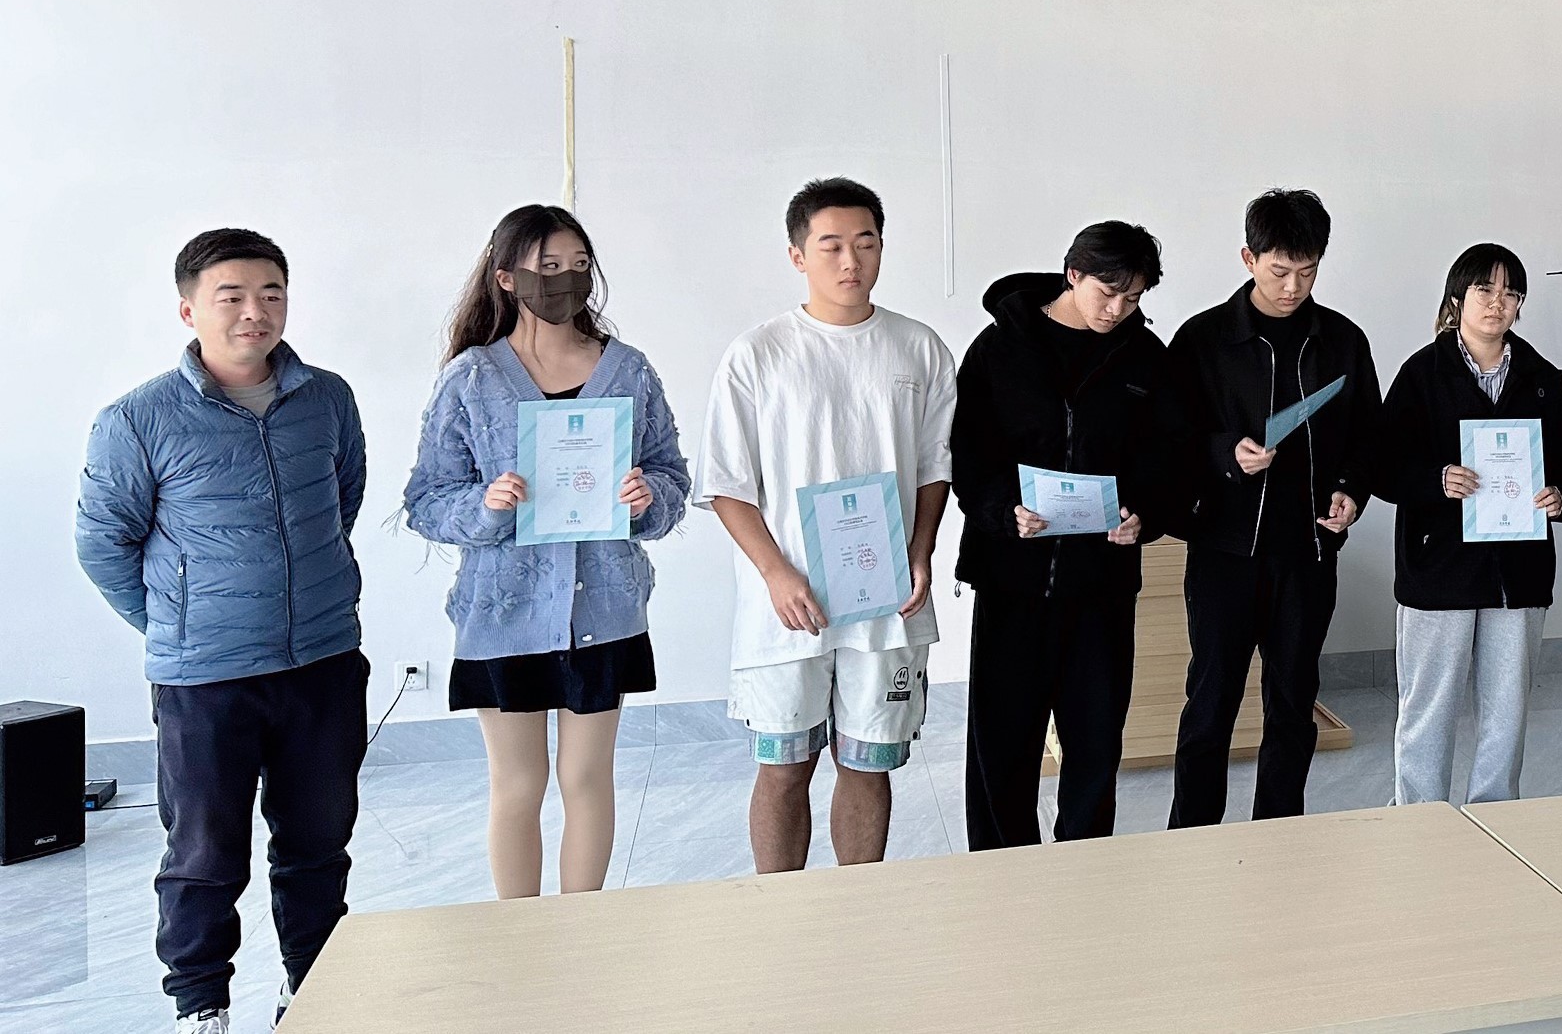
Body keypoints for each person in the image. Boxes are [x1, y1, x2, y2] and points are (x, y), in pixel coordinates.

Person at [77, 230, 369, 1034]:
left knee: (318, 843)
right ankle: (200, 1004)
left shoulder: (328, 398)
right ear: (189, 310)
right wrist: (176, 623)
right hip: (204, 677)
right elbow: (103, 543)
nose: (254, 312)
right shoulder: (136, 418)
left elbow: (342, 499)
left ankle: (312, 988)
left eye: (271, 293)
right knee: (204, 853)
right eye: (231, 296)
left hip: (323, 659)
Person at [400, 204, 690, 898]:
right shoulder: (473, 378)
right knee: (518, 783)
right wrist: (487, 505)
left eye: (578, 265)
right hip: (505, 612)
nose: (566, 279)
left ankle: (580, 927)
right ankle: (519, 933)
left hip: (605, 610)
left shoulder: (629, 371)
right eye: (548, 266)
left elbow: (672, 476)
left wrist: (647, 496)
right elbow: (426, 499)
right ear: (506, 277)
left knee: (587, 778)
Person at [698, 178, 955, 872]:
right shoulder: (758, 353)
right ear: (797, 255)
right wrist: (776, 573)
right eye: (831, 245)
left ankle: (857, 905)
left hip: (886, 596)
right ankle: (779, 908)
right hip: (790, 601)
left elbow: (935, 466)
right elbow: (726, 484)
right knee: (785, 764)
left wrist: (921, 552)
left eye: (865, 243)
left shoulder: (918, 347)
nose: (851, 260)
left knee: (868, 763)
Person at [952, 222, 1190, 847]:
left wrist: (1144, 514)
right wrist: (1002, 511)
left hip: (1101, 584)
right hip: (1012, 580)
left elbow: (1168, 459)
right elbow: (968, 456)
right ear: (1073, 274)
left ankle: (1086, 868)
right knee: (1003, 741)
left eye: (1133, 298)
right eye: (1107, 293)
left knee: (1095, 740)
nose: (1117, 310)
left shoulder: (1146, 358)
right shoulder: (999, 348)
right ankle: (1001, 866)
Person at [1166, 188, 1381, 826]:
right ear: (1248, 258)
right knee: (1210, 704)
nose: (1293, 287)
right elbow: (1168, 440)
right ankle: (1192, 835)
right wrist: (1225, 453)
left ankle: (1279, 835)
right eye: (1279, 270)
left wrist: (1351, 490)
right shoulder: (1203, 338)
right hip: (1224, 551)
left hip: (1308, 551)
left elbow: (1369, 435)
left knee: (1293, 704)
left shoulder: (1341, 339)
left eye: (1307, 272)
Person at [1377, 244, 1562, 805]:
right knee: (1428, 709)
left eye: (1510, 293)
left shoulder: (1541, 377)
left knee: (1507, 712)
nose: (1498, 303)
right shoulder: (1421, 374)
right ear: (1457, 298)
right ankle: (1420, 818)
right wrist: (1436, 479)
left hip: (1516, 576)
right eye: (1485, 290)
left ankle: (1496, 820)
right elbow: (1382, 464)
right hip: (1439, 571)